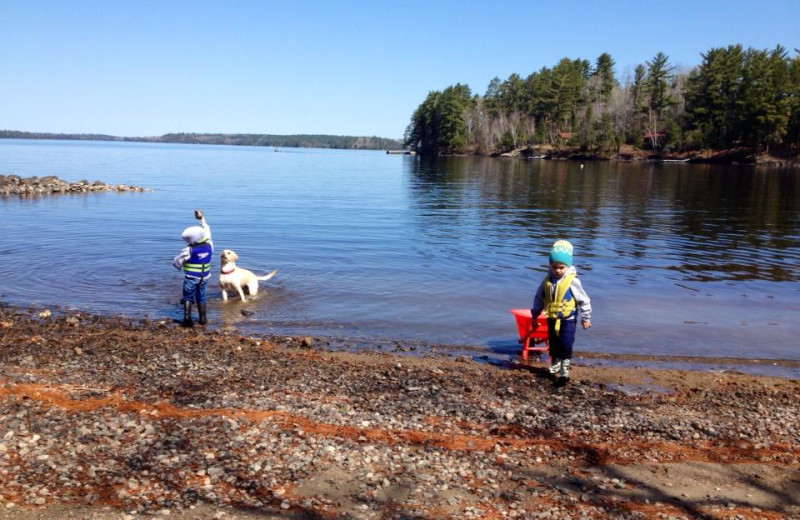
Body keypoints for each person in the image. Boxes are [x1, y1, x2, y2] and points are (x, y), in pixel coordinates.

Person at [531, 240, 592, 382]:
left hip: (568, 319)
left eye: (561, 267)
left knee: (566, 342)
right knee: (553, 342)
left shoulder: (572, 281)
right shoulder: (547, 281)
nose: (558, 270)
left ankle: (565, 366)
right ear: (550, 266)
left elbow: (584, 299)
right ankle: (555, 361)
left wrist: (586, 318)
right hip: (552, 318)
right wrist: (535, 314)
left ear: (568, 266)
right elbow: (539, 298)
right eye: (554, 267)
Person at [172, 209, 213, 326]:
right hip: (204, 277)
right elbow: (207, 231)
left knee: (188, 296)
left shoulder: (188, 250)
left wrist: (177, 264)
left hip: (191, 277)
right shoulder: (209, 245)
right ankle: (203, 319)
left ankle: (187, 317)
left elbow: (177, 262)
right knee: (202, 296)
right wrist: (201, 219)